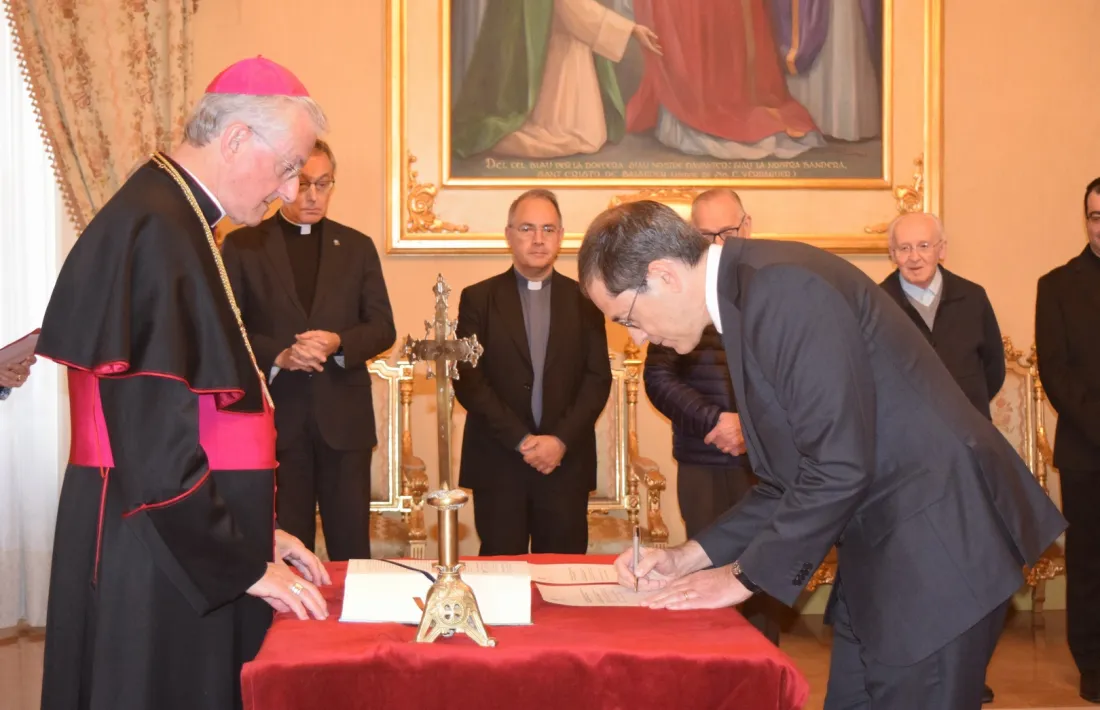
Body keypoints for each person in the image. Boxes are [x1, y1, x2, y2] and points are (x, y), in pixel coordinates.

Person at [577, 200, 1066, 709]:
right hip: (885, 553)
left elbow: (837, 466)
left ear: (664, 275)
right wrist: (688, 558)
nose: (635, 338)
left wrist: (740, 577)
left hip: (935, 550)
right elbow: (790, 479)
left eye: (626, 317)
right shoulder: (750, 292)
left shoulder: (783, 289)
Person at [34, 57, 331, 710]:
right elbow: (155, 446)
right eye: (288, 168)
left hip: (167, 534)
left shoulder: (174, 218)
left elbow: (202, 421)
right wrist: (239, 560)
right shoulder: (161, 230)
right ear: (235, 139)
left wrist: (254, 532)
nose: (288, 192)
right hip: (155, 549)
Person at [222, 139, 396, 561]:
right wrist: (279, 355)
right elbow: (228, 327)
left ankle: (355, 629)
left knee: (351, 547)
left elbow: (382, 328)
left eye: (323, 184)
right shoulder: (245, 246)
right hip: (280, 420)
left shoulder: (356, 247)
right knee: (286, 545)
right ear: (282, 183)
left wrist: (339, 343)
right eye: (302, 184)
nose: (313, 195)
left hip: (344, 423)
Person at [643, 188, 782, 645]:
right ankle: (713, 659)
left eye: (728, 231)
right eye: (706, 235)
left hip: (763, 459)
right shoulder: (678, 296)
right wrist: (714, 422)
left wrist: (749, 424)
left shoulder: (772, 289)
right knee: (706, 557)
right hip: (702, 454)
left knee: (762, 562)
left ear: (747, 226)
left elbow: (787, 379)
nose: (720, 242)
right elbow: (659, 379)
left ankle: (762, 661)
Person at [880, 211, 1004, 704]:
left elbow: (991, 369)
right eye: (904, 248)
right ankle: (923, 668)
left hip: (970, 457)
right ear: (892, 255)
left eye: (923, 247)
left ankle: (967, 670)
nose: (913, 257)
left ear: (942, 249)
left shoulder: (973, 297)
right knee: (918, 571)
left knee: (972, 568)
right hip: (905, 462)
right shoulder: (876, 301)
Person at [454, 189, 612, 555]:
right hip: (499, 461)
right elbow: (469, 380)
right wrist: (522, 441)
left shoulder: (587, 301)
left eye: (548, 229)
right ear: (508, 234)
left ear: (560, 236)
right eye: (527, 228)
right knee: (500, 575)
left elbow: (597, 379)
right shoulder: (478, 298)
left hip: (564, 463)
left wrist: (559, 441)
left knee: (562, 577)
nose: (538, 239)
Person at [1035, 176, 1100, 703]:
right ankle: (1094, 665)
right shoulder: (1056, 285)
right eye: (1096, 216)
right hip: (1089, 451)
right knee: (1091, 566)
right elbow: (1056, 373)